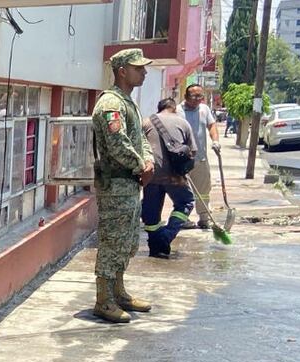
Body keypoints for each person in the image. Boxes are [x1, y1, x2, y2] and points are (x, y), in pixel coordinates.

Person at [90, 48, 154, 324]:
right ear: (122, 71)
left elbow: (140, 137)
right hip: (116, 183)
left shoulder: (127, 102)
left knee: (127, 241)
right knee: (112, 242)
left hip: (129, 183)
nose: (144, 72)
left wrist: (148, 160)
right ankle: (104, 300)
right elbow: (119, 145)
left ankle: (118, 292)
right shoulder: (110, 105)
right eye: (138, 68)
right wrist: (141, 165)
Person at [141, 98, 197, 258]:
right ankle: (167, 235)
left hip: (150, 173)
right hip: (175, 176)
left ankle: (155, 247)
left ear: (159, 109)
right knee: (186, 202)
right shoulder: (183, 123)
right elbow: (192, 152)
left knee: (151, 213)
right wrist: (184, 170)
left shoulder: (146, 122)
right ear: (173, 108)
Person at [178, 84, 220, 229]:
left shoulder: (204, 109)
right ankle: (183, 218)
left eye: (200, 96)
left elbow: (212, 126)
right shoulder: (178, 111)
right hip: (183, 159)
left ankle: (204, 218)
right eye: (194, 96)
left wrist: (215, 141)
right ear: (186, 96)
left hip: (200, 159)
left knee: (203, 190)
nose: (197, 100)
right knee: (184, 190)